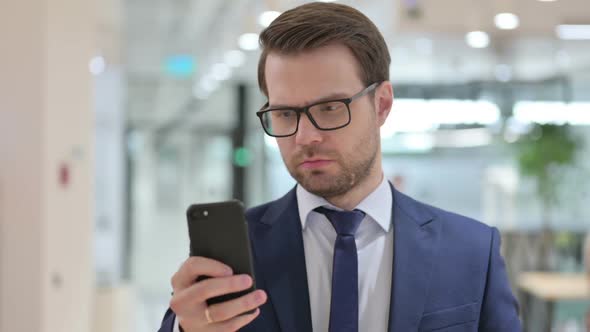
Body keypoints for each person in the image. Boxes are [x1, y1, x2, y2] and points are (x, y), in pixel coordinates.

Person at [159, 2, 521, 331]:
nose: (305, 136)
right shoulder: (236, 254)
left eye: (330, 108)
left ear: (381, 104)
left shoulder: (471, 251)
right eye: (285, 114)